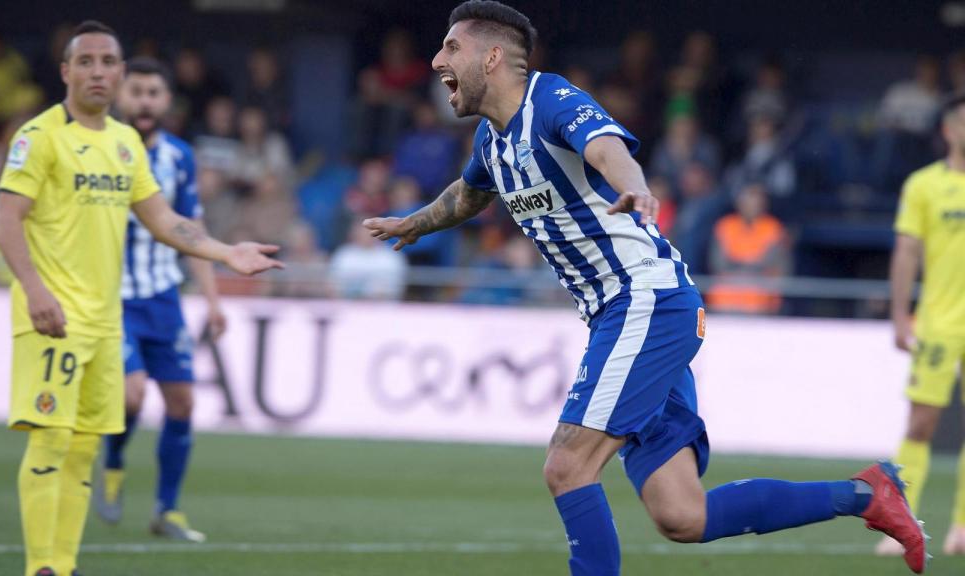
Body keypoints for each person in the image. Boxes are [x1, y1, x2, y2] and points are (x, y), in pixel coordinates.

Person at [363, 2, 929, 574]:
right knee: (683, 515)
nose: (436, 61)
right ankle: (868, 494)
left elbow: (606, 147)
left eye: (450, 48)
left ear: (491, 57)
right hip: (629, 315)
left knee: (567, 466)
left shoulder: (552, 100)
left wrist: (635, 186)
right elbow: (467, 195)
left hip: (644, 303)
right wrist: (414, 222)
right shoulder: (492, 142)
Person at [0, 21, 282, 576]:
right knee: (51, 440)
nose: (98, 71)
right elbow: (7, 220)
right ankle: (39, 568)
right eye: (86, 62)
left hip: (106, 321)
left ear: (120, 74)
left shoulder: (125, 144)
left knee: (82, 449)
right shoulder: (39, 137)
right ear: (66, 71)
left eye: (108, 62)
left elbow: (166, 220)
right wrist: (33, 290)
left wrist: (226, 253)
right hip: (53, 314)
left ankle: (64, 564)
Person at [91, 57, 223, 542]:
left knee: (183, 402)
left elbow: (192, 230)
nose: (144, 101)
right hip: (110, 298)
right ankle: (114, 458)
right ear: (121, 96)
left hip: (163, 295)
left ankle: (167, 510)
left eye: (153, 93)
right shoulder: (99, 148)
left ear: (167, 102)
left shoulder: (179, 157)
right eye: (136, 91)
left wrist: (211, 300)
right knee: (132, 392)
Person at [880, 93, 965, 558]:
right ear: (950, 130)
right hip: (938, 321)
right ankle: (901, 525)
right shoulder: (924, 185)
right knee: (921, 423)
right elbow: (907, 251)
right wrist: (899, 314)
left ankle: (962, 527)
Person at [707, 182, 790, 315]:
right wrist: (750, 266)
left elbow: (772, 264)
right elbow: (718, 263)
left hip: (761, 298)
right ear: (739, 203)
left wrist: (739, 265)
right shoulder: (725, 226)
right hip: (725, 298)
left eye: (757, 201)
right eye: (748, 200)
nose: (752, 205)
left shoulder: (773, 228)